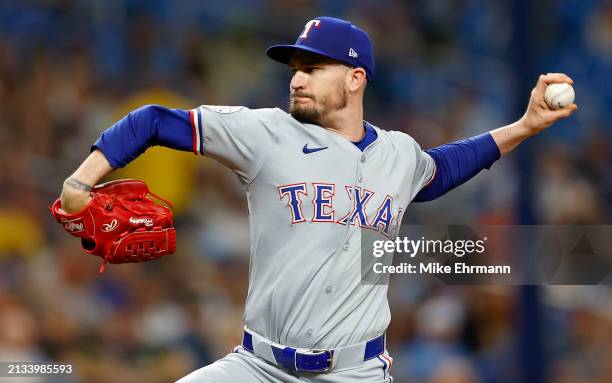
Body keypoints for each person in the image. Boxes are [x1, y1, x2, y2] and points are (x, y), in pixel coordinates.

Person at [57, 16, 577, 383]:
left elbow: (442, 169)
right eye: (295, 68)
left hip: (355, 372)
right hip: (257, 367)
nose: (298, 78)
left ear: (356, 78)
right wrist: (81, 182)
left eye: (314, 67)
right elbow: (153, 120)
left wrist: (526, 127)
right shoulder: (265, 132)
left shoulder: (398, 154)